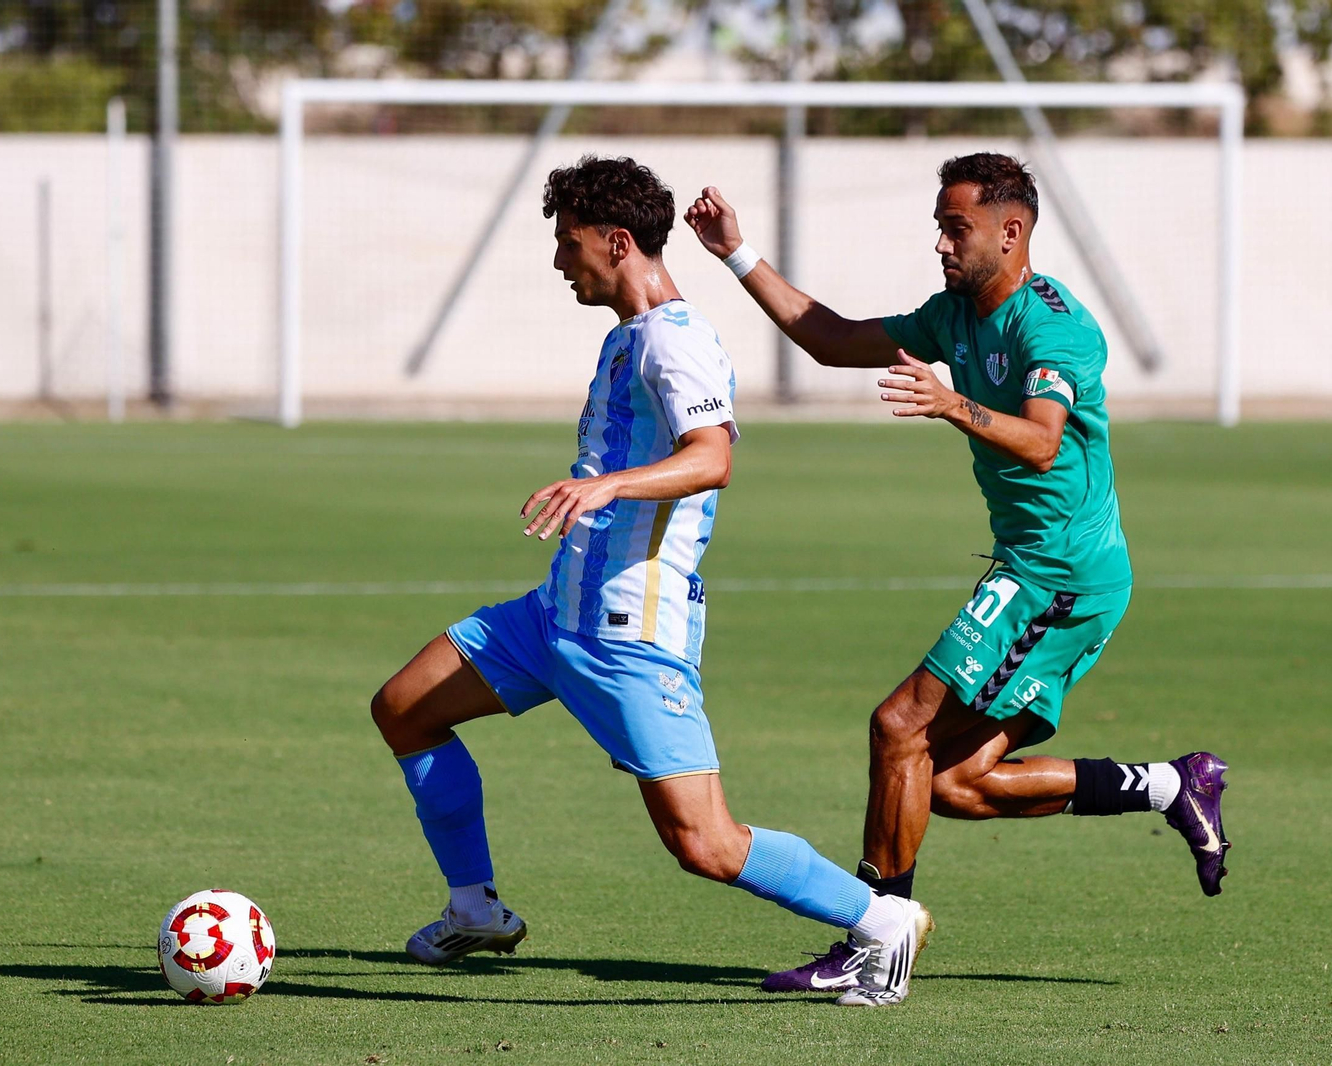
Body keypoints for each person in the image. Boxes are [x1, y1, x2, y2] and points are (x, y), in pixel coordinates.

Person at [370, 154, 930, 1008]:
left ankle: (882, 922)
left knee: (704, 843)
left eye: (570, 242)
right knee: (405, 707)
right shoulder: (625, 334)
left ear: (617, 241)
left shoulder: (676, 337)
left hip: (629, 633)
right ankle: (475, 907)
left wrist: (605, 485)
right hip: (554, 617)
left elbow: (712, 459)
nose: (562, 260)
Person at [685, 152, 1231, 999]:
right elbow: (833, 340)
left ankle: (877, 942)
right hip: (1035, 567)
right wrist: (736, 253)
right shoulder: (955, 315)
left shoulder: (1053, 327)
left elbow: (1043, 438)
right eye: (940, 225)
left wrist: (953, 405)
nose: (941, 243)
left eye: (956, 227)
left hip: (1060, 574)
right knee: (949, 782)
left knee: (899, 725)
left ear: (1011, 233)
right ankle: (1170, 784)